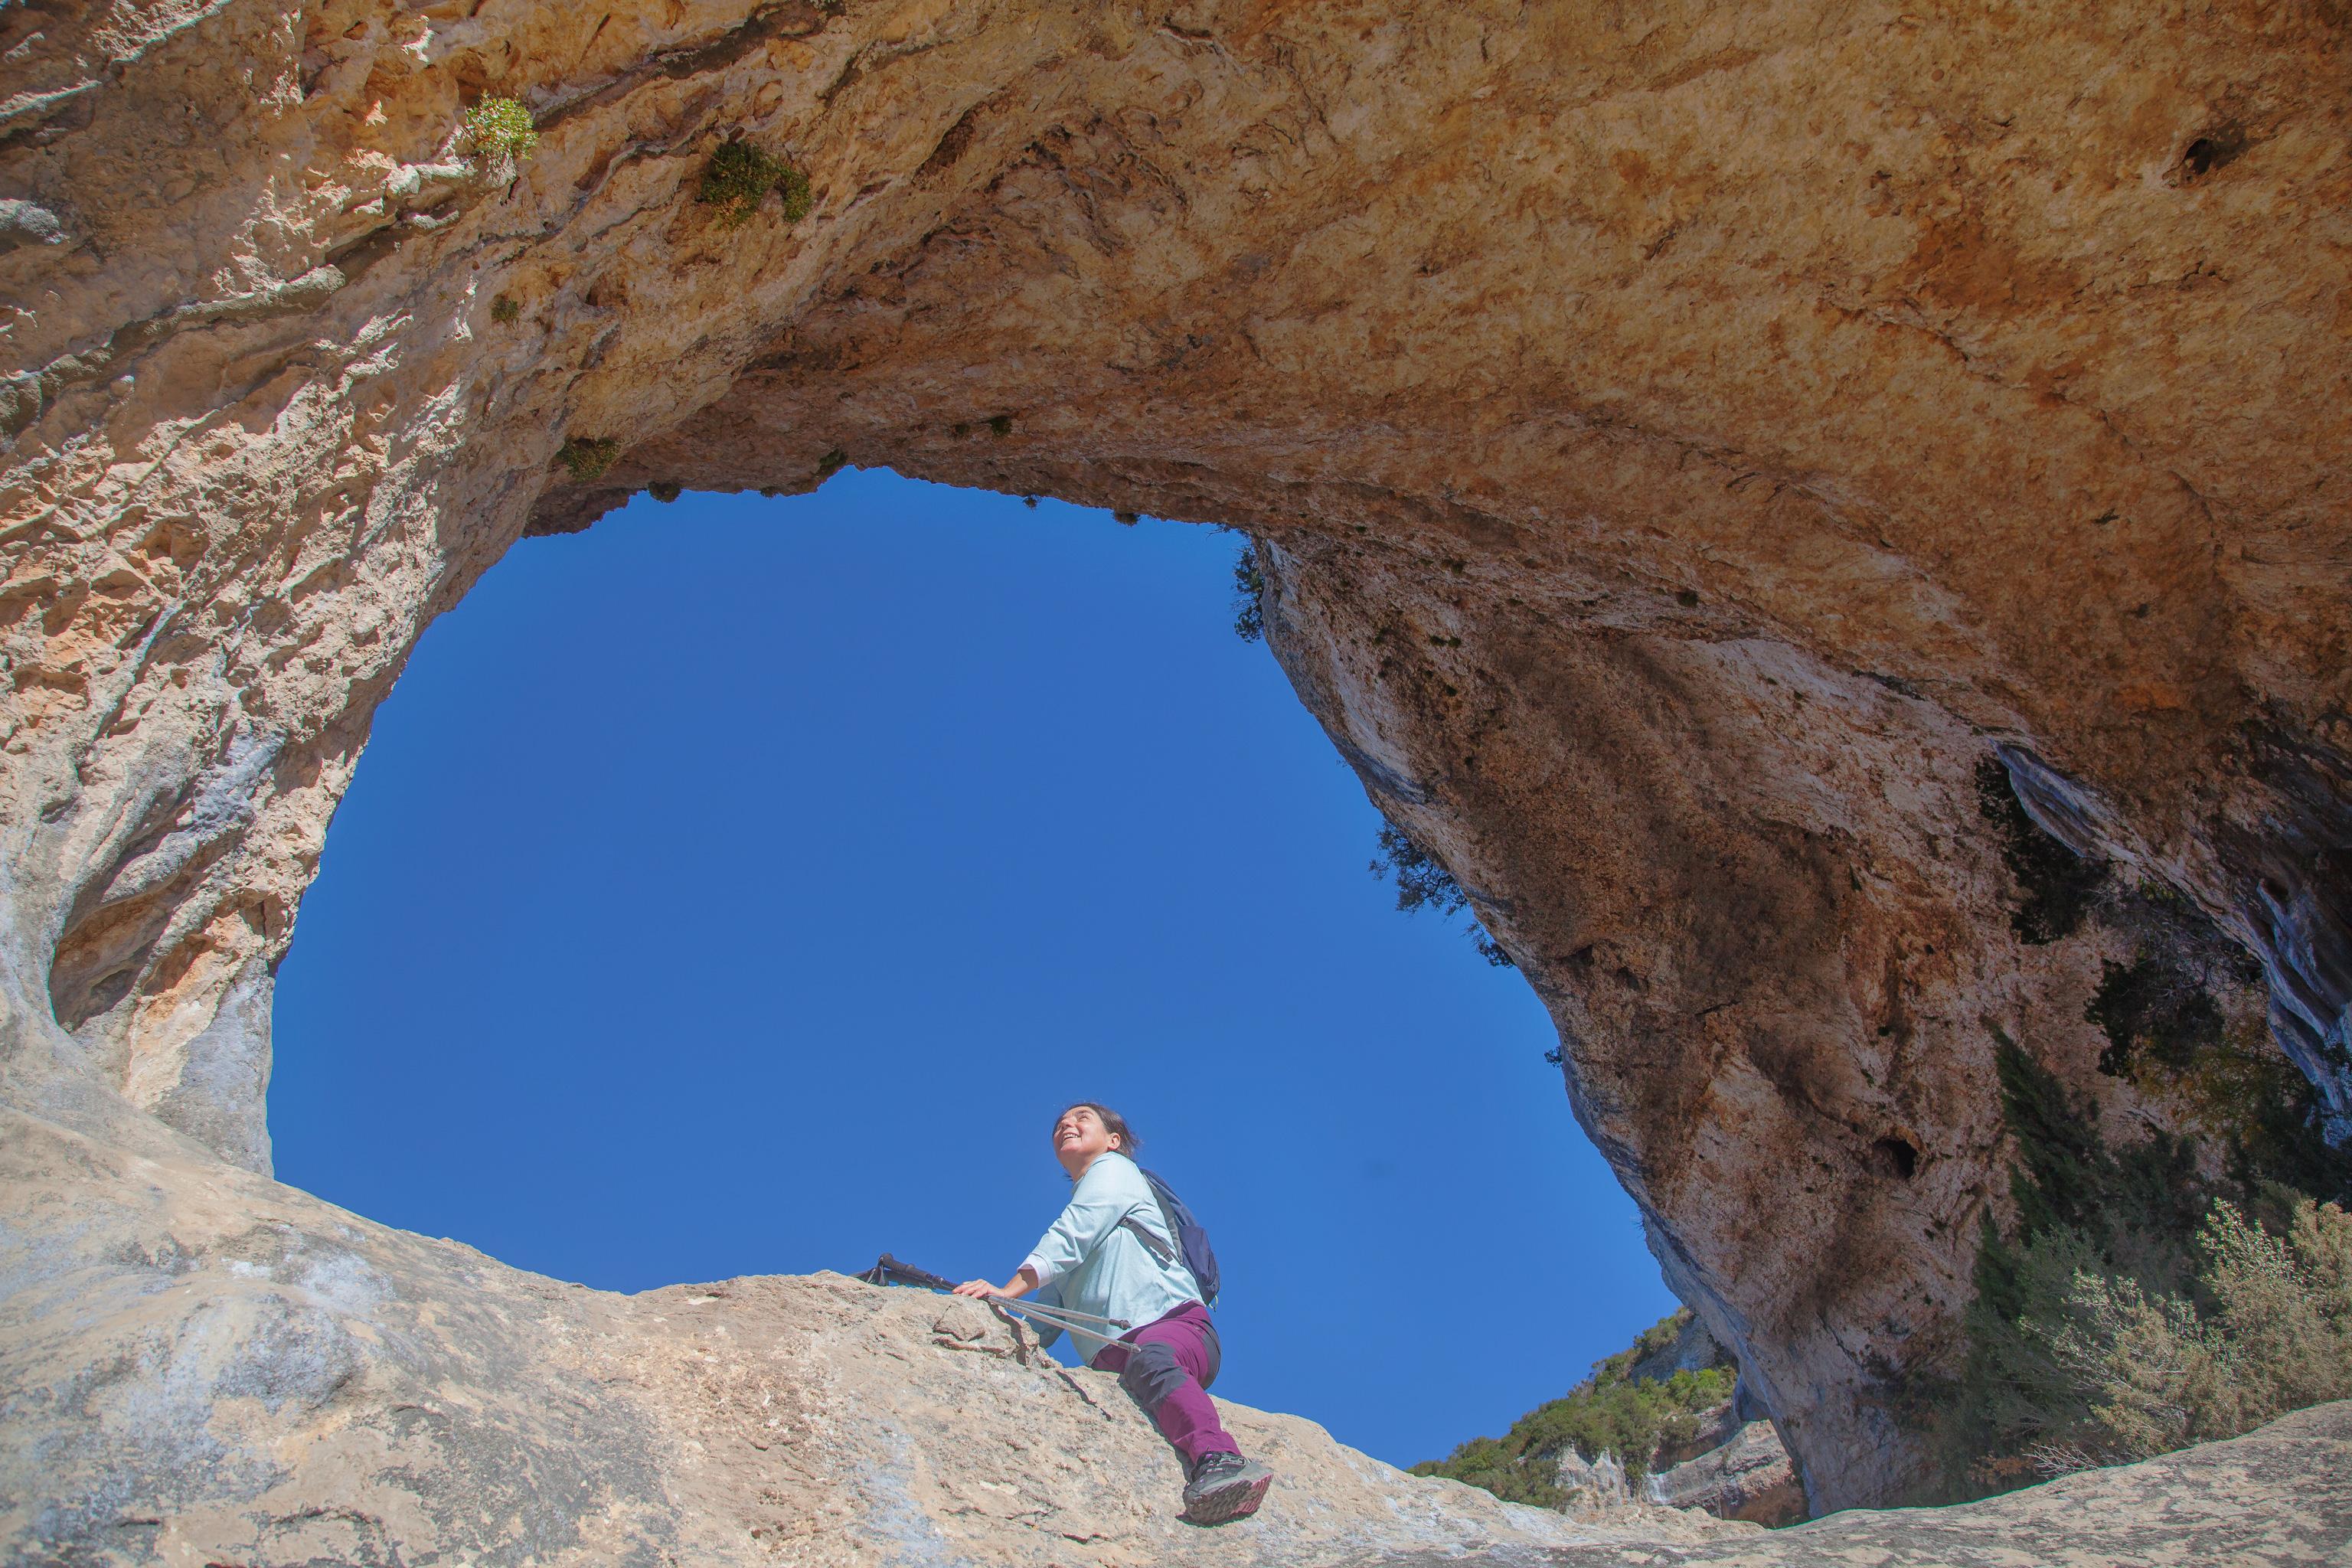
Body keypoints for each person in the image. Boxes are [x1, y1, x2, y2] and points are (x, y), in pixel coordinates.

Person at [954, 1102, 1273, 1524]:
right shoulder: (1087, 1216)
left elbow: (1070, 1235)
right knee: (1145, 1364)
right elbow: (1042, 1316)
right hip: (1123, 1356)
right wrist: (990, 1311)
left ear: (1113, 1140)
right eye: (1060, 1124)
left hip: (1174, 1325)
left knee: (1152, 1359)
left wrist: (1006, 1288)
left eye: (1082, 1117)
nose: (1067, 1124)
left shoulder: (1115, 1172)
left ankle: (1221, 1459)